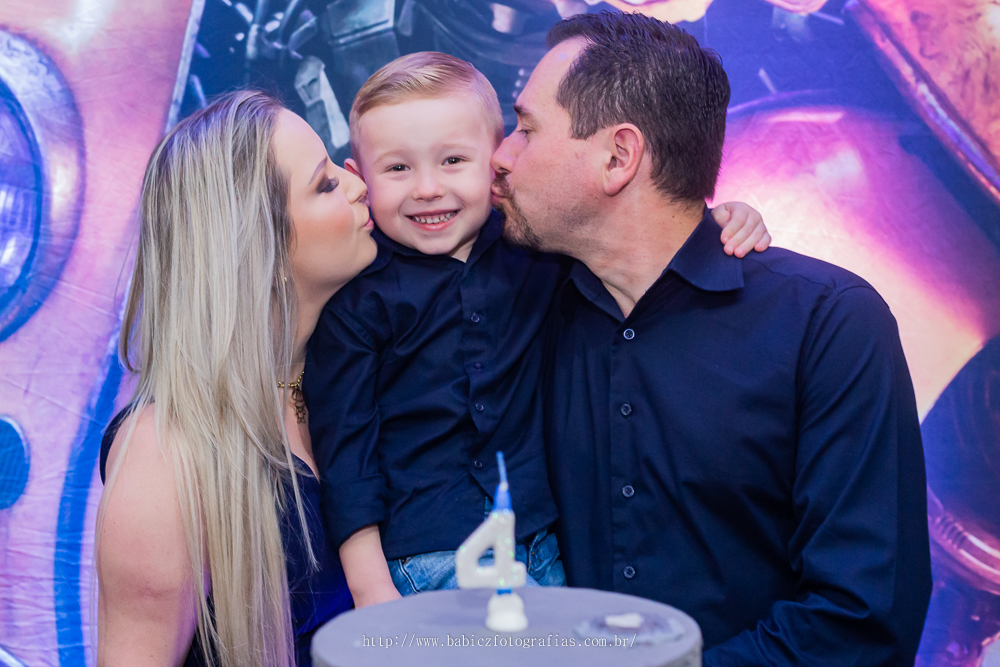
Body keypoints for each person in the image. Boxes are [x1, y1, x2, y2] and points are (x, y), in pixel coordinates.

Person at [491, 12, 932, 666]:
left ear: (618, 157)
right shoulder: (523, 305)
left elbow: (863, 619)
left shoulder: (828, 323)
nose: (501, 154)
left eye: (526, 129)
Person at [302, 51, 771, 607]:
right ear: (360, 178)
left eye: (453, 161)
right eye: (397, 169)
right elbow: (346, 448)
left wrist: (718, 219)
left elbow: (637, 242)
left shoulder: (536, 250)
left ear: (500, 161)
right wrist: (370, 586)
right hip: (428, 557)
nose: (427, 188)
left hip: (541, 543)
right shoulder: (358, 298)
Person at [95, 91, 375, 667]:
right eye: (325, 184)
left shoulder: (349, 387)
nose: (357, 184)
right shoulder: (165, 455)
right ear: (260, 246)